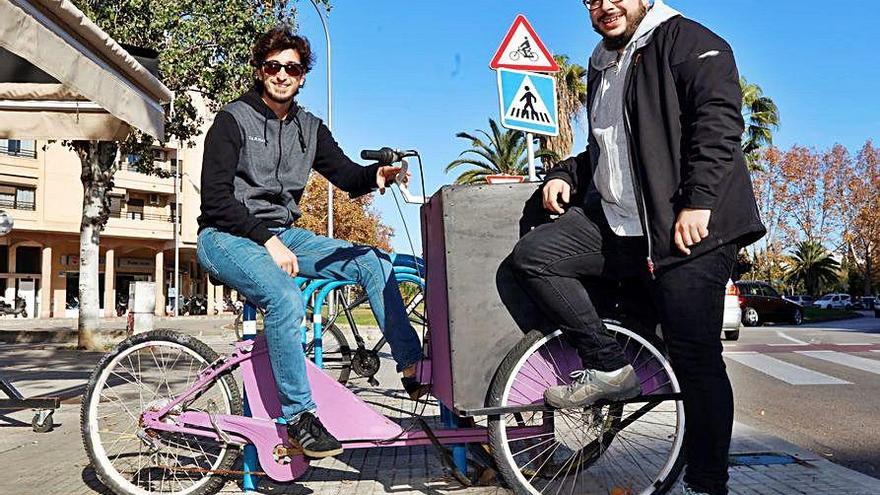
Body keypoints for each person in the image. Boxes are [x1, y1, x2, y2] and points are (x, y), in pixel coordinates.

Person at [508, 1, 765, 494]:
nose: (604, 6)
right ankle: (610, 364)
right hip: (623, 227)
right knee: (535, 257)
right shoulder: (602, 63)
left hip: (688, 229)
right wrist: (564, 173)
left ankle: (707, 483)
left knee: (696, 358)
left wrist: (699, 201)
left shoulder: (685, 40)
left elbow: (719, 123)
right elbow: (610, 149)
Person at [196, 26, 427, 459]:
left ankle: (412, 365)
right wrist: (266, 240)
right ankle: (299, 417)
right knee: (286, 297)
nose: (282, 75)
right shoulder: (233, 120)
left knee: (373, 261)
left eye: (292, 68)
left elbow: (345, 174)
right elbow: (216, 199)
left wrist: (378, 177)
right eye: (273, 66)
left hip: (283, 235)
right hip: (225, 236)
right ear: (260, 70)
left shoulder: (309, 127)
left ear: (303, 76)